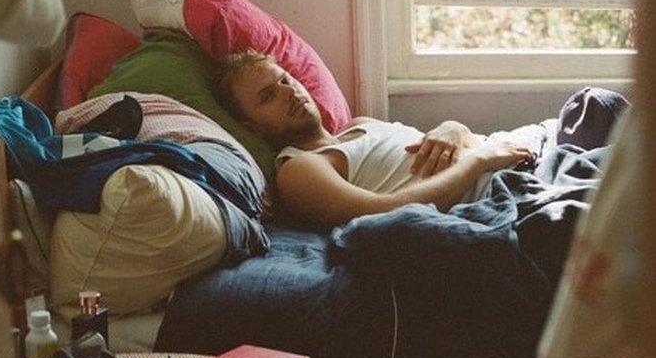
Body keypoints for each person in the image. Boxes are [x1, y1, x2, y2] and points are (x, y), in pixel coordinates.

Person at [214, 50, 539, 227]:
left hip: (523, 159)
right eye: (268, 96)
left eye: (285, 80)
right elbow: (384, 214)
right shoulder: (298, 169)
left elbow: (462, 146)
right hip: (503, 197)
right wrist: (479, 162)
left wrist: (453, 128)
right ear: (253, 128)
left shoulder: (360, 124)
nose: (289, 93)